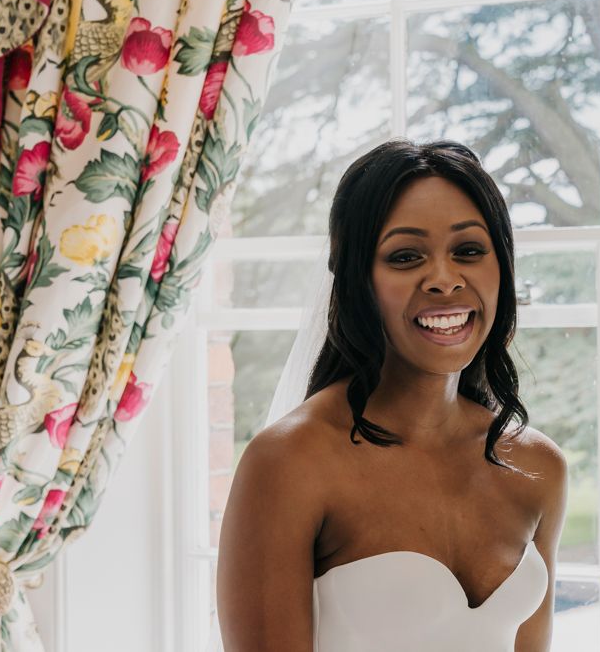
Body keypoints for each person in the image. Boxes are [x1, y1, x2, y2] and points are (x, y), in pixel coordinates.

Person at [215, 138, 569, 651]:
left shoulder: (539, 467)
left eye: (469, 250)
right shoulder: (291, 463)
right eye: (405, 257)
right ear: (356, 279)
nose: (445, 280)